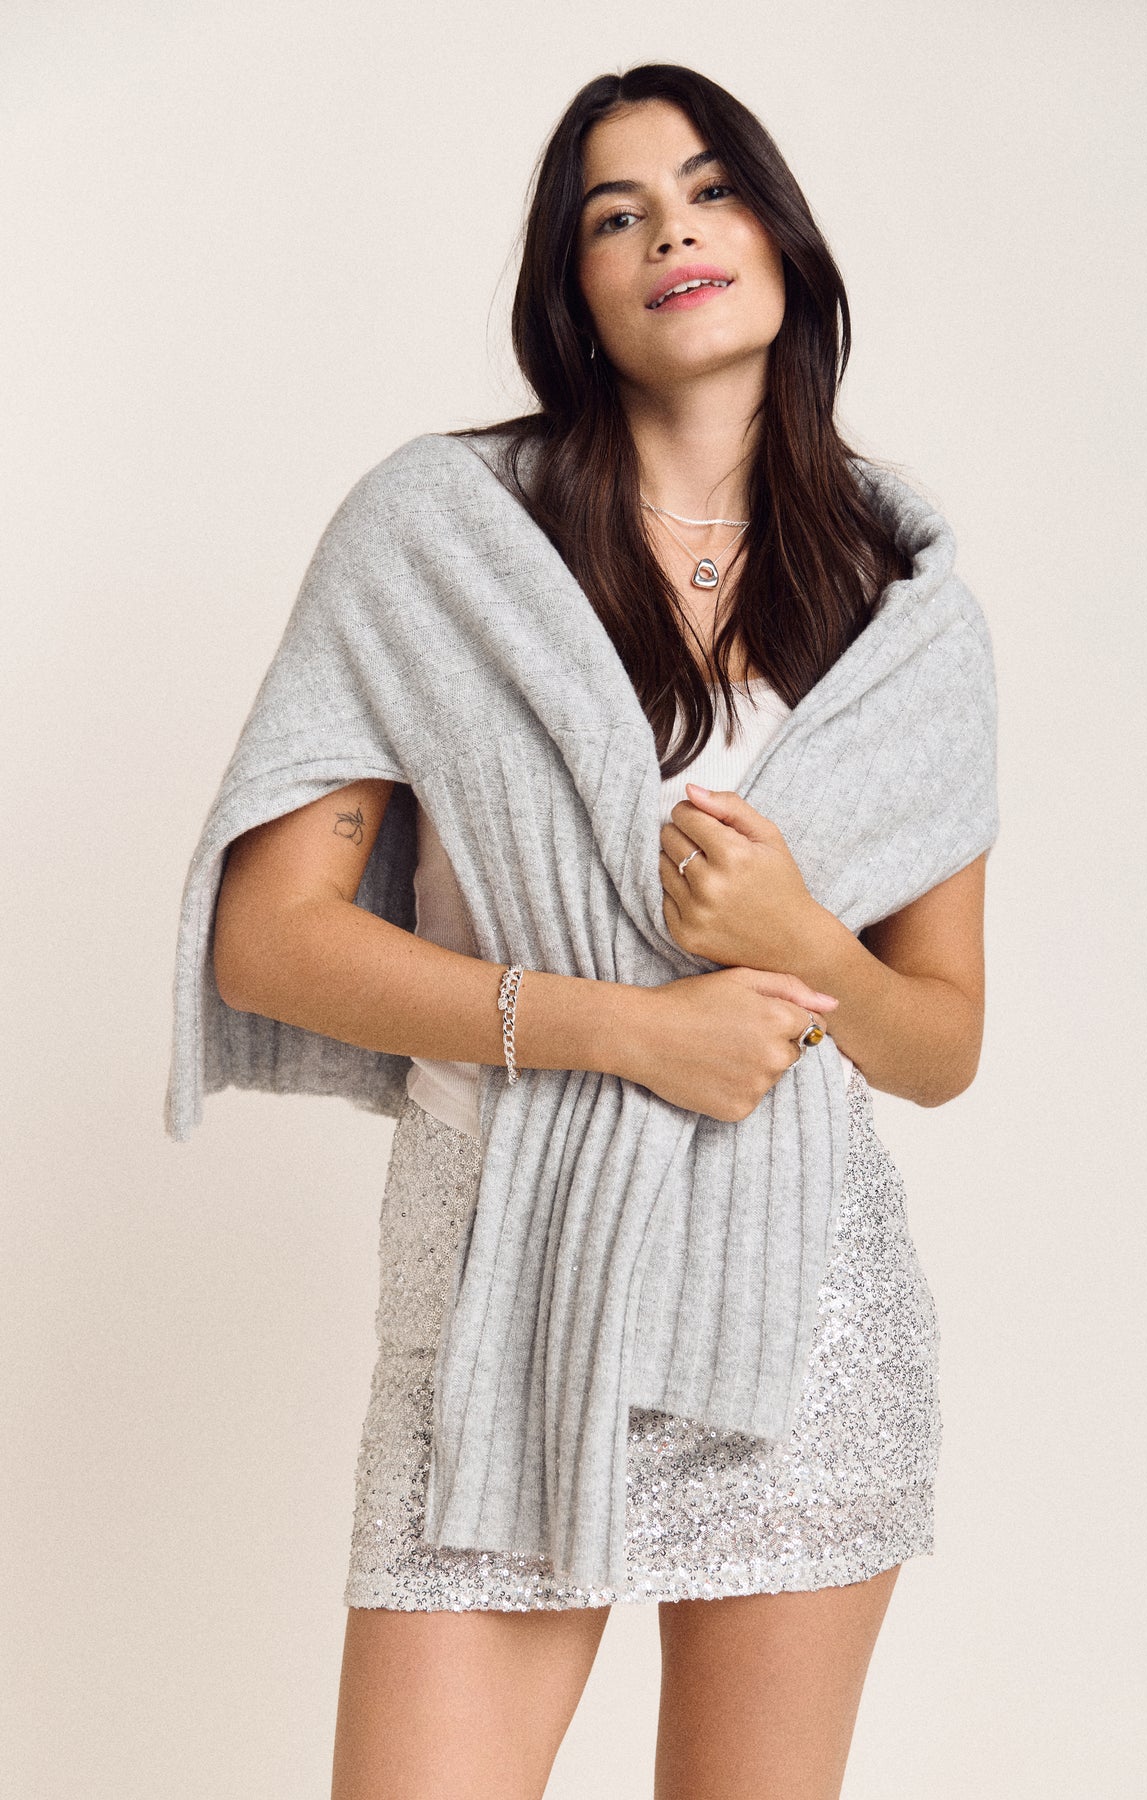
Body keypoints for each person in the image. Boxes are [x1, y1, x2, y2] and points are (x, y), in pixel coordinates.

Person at [208, 63, 993, 1800]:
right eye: (613, 214)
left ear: (779, 237)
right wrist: (632, 1029)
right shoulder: (440, 537)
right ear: (571, 292)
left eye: (708, 189)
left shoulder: (896, 598)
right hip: (501, 1285)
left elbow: (937, 1042)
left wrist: (809, 945)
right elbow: (269, 938)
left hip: (801, 1312)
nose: (668, 232)